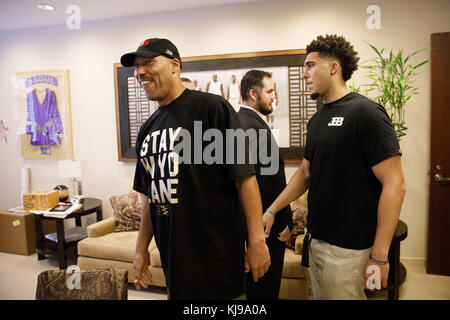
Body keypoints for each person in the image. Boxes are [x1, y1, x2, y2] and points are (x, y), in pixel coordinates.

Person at [120, 37, 270, 300]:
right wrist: (141, 249)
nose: (140, 71)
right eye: (136, 66)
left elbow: (244, 178)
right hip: (175, 269)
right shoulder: (147, 130)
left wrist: (257, 240)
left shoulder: (212, 109)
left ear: (175, 66)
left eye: (148, 62)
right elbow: (149, 195)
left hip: (218, 266)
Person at [265, 34, 406, 299]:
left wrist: (380, 254)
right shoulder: (317, 120)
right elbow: (305, 173)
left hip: (349, 250)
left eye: (310, 65)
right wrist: (273, 208)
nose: (305, 73)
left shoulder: (366, 113)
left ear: (333, 68)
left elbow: (395, 184)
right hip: (316, 241)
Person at [237, 70, 293, 300]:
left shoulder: (236, 123)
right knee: (263, 293)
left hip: (246, 230)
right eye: (270, 91)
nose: (274, 97)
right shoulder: (256, 129)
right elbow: (270, 185)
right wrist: (284, 224)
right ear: (253, 93)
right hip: (266, 231)